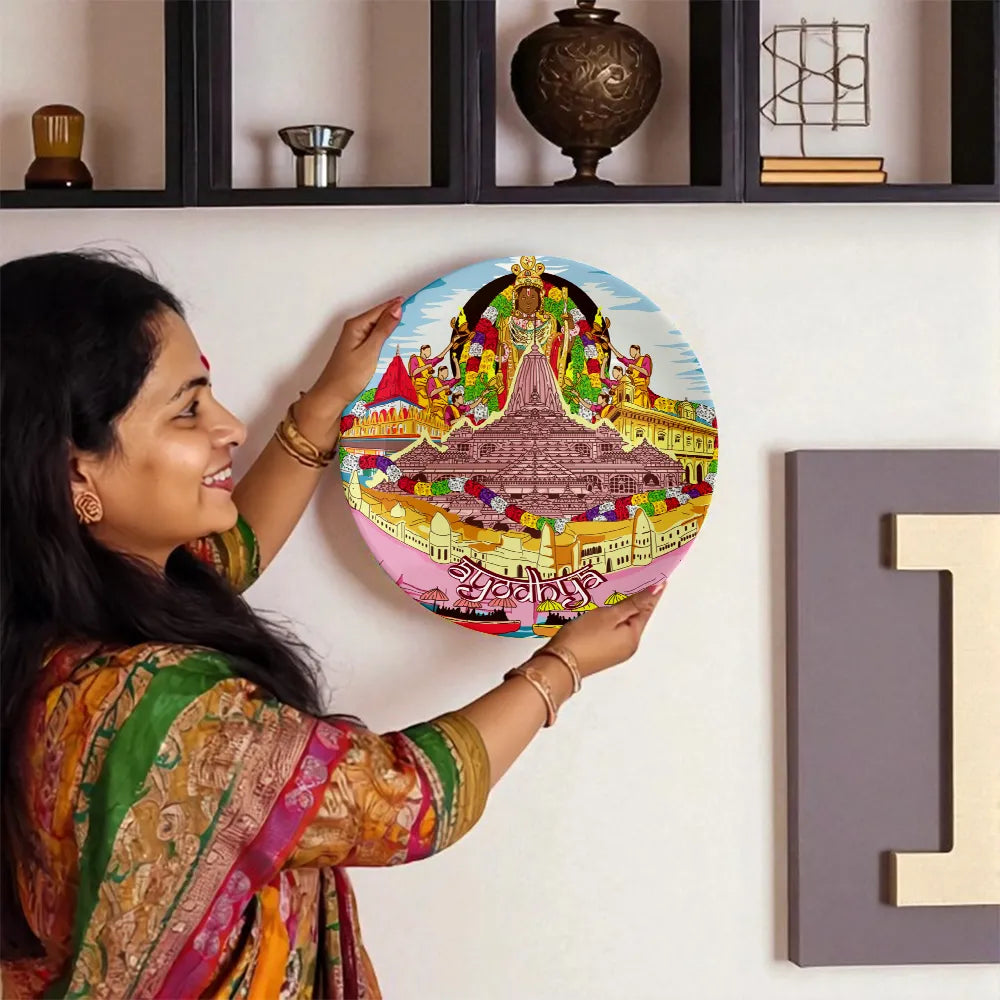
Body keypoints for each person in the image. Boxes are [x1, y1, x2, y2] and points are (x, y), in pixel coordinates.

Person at [0, 251, 664, 999]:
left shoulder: (55, 636)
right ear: (76, 473)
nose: (229, 426)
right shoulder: (169, 706)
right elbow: (408, 800)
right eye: (187, 409)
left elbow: (225, 554)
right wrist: (564, 665)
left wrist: (324, 403)